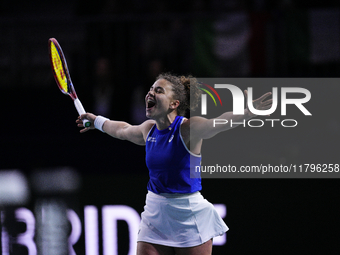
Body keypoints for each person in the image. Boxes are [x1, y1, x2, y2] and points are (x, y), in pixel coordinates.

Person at [76, 73, 272, 255]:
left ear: (174, 103)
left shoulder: (188, 129)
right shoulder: (148, 130)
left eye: (159, 90)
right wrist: (97, 122)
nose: (150, 93)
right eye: (151, 89)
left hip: (189, 214)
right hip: (155, 212)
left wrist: (247, 113)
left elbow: (217, 123)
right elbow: (123, 129)